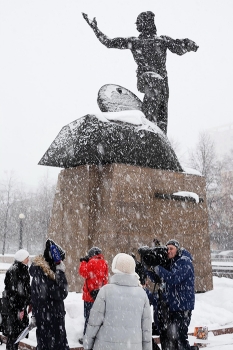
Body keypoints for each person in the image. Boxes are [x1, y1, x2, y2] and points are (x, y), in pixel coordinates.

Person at [82, 11, 198, 134]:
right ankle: (150, 127)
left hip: (157, 83)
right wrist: (189, 44)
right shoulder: (159, 41)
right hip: (155, 82)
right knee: (158, 113)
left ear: (143, 24)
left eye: (138, 23)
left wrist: (95, 29)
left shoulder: (141, 41)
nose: (137, 26)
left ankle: (155, 131)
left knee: (160, 118)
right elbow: (179, 47)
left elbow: (108, 42)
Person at [83, 253, 152, 350]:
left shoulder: (106, 291)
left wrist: (87, 345)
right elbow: (147, 329)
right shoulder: (142, 294)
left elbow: (94, 322)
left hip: (105, 345)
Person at [147, 239, 195, 350]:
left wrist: (158, 268)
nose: (168, 251)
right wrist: (149, 268)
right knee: (172, 338)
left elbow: (173, 278)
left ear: (177, 249)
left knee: (180, 338)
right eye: (167, 249)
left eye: (171, 248)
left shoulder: (184, 261)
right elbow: (158, 279)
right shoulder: (171, 262)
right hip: (172, 306)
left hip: (182, 307)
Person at [29, 239, 69, 350]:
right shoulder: (45, 274)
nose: (61, 263)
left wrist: (34, 315)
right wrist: (60, 272)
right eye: (60, 261)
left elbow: (34, 297)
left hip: (45, 319)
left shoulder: (39, 272)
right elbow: (61, 292)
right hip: (52, 321)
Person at [2, 249, 31, 350]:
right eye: (27, 258)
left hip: (19, 308)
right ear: (22, 259)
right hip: (14, 310)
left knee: (18, 335)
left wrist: (28, 302)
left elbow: (26, 289)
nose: (28, 259)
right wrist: (20, 308)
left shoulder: (23, 269)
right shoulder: (14, 271)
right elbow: (13, 292)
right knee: (13, 335)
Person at [78, 246, 108, 345]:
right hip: (99, 295)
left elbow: (83, 272)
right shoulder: (104, 263)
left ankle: (86, 338)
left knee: (88, 317)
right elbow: (106, 278)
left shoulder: (91, 262)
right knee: (98, 318)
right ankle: (97, 337)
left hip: (89, 296)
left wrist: (83, 262)